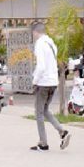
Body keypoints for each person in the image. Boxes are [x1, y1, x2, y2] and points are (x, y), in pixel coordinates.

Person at [30, 23, 70, 151]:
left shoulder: (40, 44)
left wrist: (34, 81)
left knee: (39, 113)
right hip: (53, 82)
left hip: (43, 83)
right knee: (45, 109)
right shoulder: (51, 43)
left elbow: (41, 66)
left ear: (35, 32)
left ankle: (43, 143)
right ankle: (62, 131)